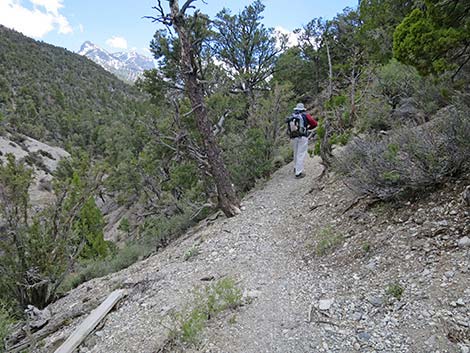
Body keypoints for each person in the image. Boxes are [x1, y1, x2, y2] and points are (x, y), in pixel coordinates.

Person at [289, 103, 317, 178]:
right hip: (303, 136)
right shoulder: (305, 115)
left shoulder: (293, 116)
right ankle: (299, 172)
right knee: (300, 154)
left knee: (295, 153)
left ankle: (295, 167)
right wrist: (308, 128)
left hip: (294, 136)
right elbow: (314, 123)